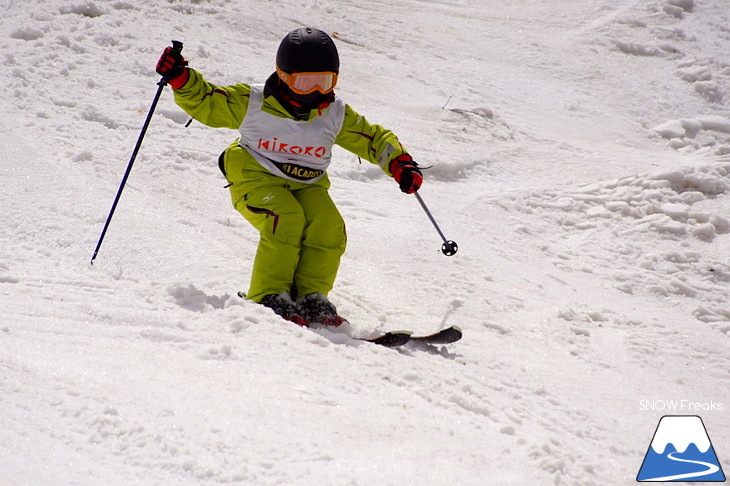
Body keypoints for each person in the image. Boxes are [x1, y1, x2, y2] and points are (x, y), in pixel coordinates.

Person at [156, 27, 423, 326]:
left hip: (307, 183)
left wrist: (399, 163)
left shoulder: (333, 113)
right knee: (285, 218)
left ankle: (310, 296)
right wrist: (181, 78)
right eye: (305, 82)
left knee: (329, 226)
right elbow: (209, 102)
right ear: (283, 76)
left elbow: (372, 138)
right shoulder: (253, 102)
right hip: (255, 177)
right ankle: (268, 295)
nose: (316, 92)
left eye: (324, 82)